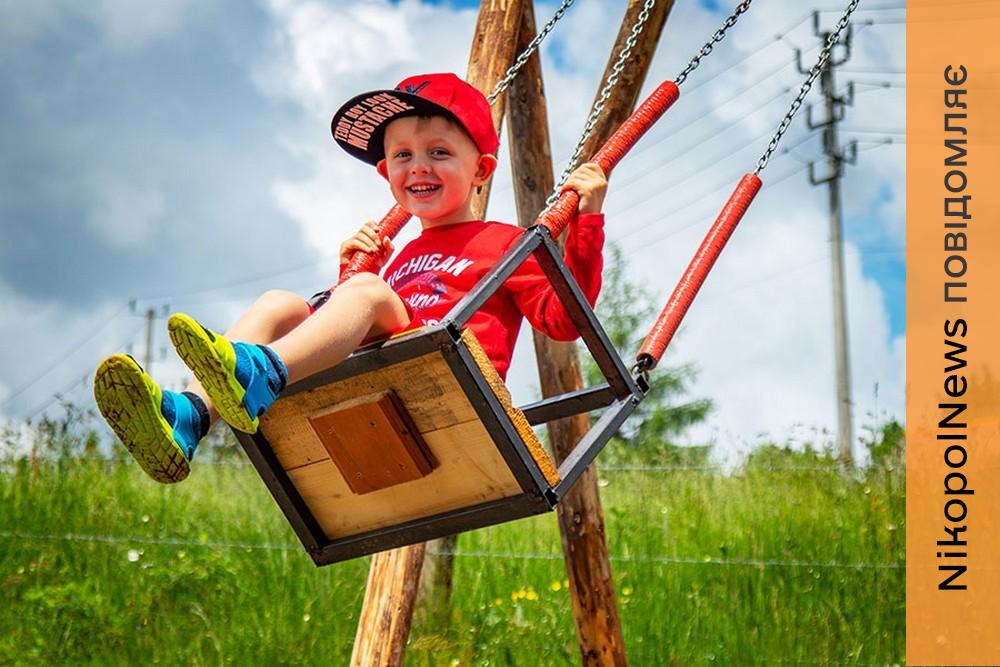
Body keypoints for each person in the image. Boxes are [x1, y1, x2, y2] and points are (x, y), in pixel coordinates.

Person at [94, 72, 607, 484]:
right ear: (386, 173)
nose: (418, 166)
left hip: (451, 383)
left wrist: (586, 225)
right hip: (377, 379)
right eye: (402, 155)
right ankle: (190, 416)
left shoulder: (506, 242)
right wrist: (351, 273)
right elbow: (348, 331)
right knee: (279, 303)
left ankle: (259, 373)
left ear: (481, 170)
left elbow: (565, 322)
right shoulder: (397, 260)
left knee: (366, 294)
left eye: (439, 152)